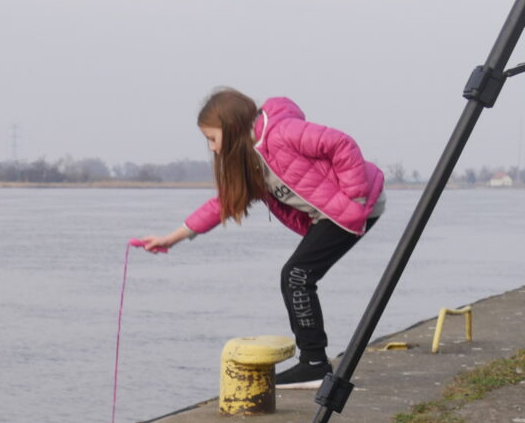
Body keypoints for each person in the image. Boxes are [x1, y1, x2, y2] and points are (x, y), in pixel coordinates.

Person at [133, 87, 384, 387]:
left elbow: (341, 144)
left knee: (296, 275)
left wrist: (355, 198)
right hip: (335, 215)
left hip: (359, 206)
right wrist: (170, 239)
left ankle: (314, 364)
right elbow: (222, 204)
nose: (212, 148)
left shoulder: (282, 132)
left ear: (231, 127)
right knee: (296, 276)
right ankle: (314, 363)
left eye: (212, 138)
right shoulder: (252, 161)